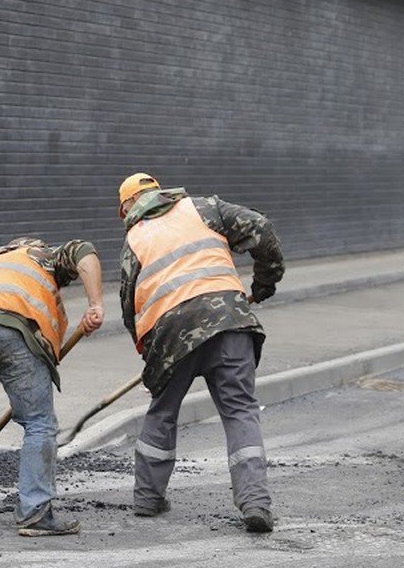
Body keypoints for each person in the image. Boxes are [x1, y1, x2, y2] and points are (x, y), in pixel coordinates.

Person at [117, 172, 285, 532]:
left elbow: (130, 308)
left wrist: (151, 358)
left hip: (172, 336)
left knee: (162, 412)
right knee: (240, 412)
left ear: (129, 205)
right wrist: (265, 281)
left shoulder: (134, 240)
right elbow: (262, 228)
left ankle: (148, 498)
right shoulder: (206, 208)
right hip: (230, 324)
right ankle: (255, 503)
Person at [0, 238, 104, 536]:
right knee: (39, 422)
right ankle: (35, 512)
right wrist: (96, 305)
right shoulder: (43, 254)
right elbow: (84, 251)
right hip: (13, 332)